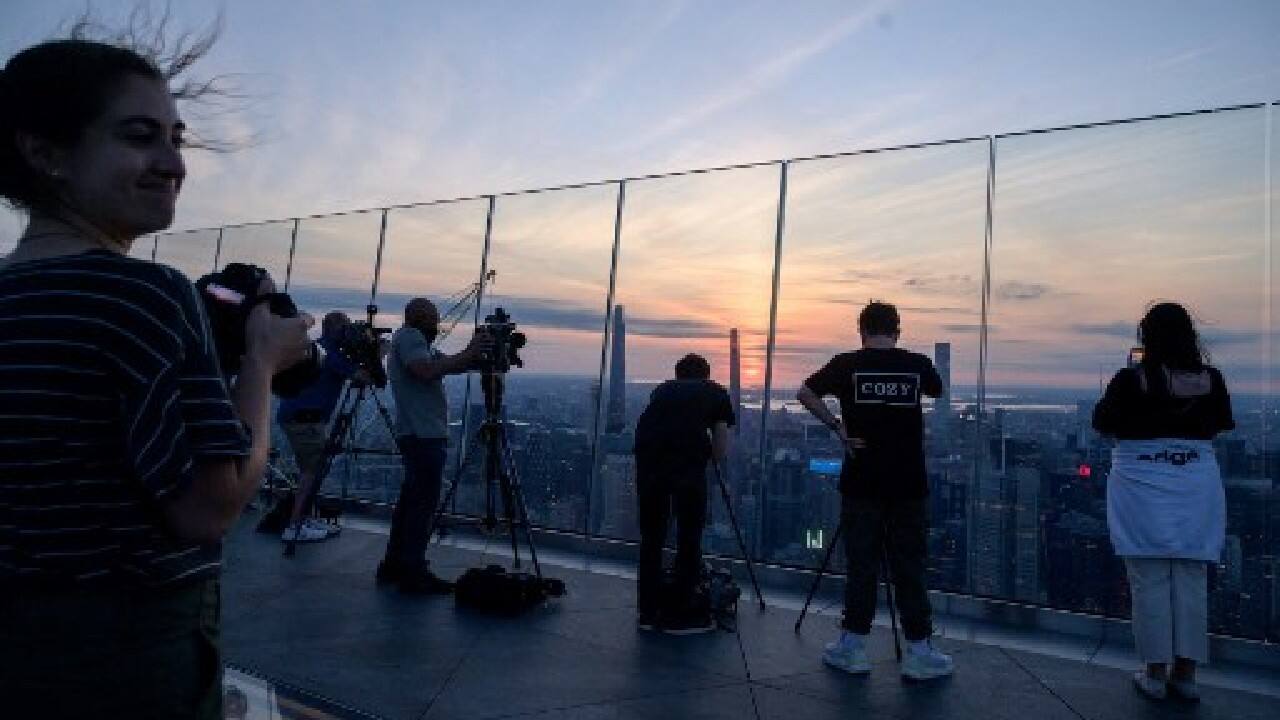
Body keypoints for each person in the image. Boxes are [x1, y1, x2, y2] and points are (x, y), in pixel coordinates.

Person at [0, 37, 312, 719]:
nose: (173, 165)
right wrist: (260, 363)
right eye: (141, 138)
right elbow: (209, 507)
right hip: (124, 654)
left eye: (177, 140)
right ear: (46, 152)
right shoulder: (146, 295)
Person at [796, 301, 953, 680]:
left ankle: (852, 646)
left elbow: (804, 392)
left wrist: (837, 426)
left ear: (861, 330)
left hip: (862, 479)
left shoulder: (847, 364)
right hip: (909, 481)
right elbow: (939, 392)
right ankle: (919, 650)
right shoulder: (917, 365)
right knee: (910, 565)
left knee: (862, 564)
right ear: (897, 330)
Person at [1093, 302, 1233, 703]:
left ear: (1146, 338)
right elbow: (1219, 425)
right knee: (1191, 573)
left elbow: (1103, 423)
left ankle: (1154, 673)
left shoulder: (1131, 380)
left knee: (1148, 573)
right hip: (1195, 482)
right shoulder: (1211, 380)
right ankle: (1186, 674)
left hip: (1141, 483)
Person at [376, 297, 486, 594]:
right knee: (423, 505)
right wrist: (472, 350)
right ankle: (413, 570)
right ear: (419, 317)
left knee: (411, 502)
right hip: (423, 435)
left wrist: (473, 355)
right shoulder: (411, 337)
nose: (437, 323)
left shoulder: (410, 343)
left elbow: (445, 364)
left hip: (415, 433)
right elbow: (426, 370)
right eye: (433, 317)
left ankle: (395, 563)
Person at [632, 353, 735, 634]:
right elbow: (721, 445)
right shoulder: (715, 392)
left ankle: (648, 612)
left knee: (652, 539)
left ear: (677, 375)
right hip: (686, 469)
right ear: (706, 375)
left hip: (649, 465)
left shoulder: (661, 391)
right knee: (688, 539)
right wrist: (710, 460)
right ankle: (681, 614)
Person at [276, 311, 370, 544]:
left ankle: (304, 518)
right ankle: (295, 525)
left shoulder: (318, 348)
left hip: (300, 417)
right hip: (305, 420)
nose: (348, 333)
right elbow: (364, 377)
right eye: (345, 328)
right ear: (335, 329)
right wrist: (376, 354)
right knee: (311, 473)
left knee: (312, 470)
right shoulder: (332, 355)